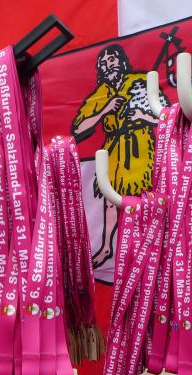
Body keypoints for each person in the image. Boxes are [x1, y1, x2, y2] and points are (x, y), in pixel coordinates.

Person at [71, 44, 160, 269]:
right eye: (103, 63)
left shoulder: (141, 82)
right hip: (113, 149)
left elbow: (166, 116)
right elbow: (78, 128)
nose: (107, 65)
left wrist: (142, 116)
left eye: (111, 60)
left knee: (143, 197)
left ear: (121, 61)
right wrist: (105, 109)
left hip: (140, 145)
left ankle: (146, 246)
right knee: (110, 199)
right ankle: (106, 248)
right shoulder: (101, 93)